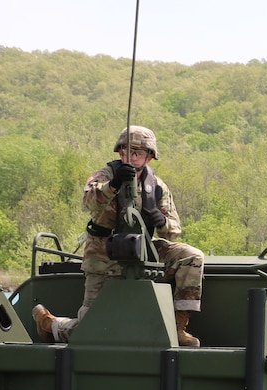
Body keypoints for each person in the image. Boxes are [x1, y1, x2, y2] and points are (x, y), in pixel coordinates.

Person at [33, 126, 204, 347]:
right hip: (104, 256)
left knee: (191, 256)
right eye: (127, 151)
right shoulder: (104, 176)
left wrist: (161, 221)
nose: (132, 157)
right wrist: (112, 186)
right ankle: (52, 325)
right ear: (119, 152)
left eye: (139, 153)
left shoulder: (156, 186)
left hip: (143, 253)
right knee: (94, 331)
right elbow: (89, 202)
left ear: (149, 157)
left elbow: (173, 230)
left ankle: (178, 328)